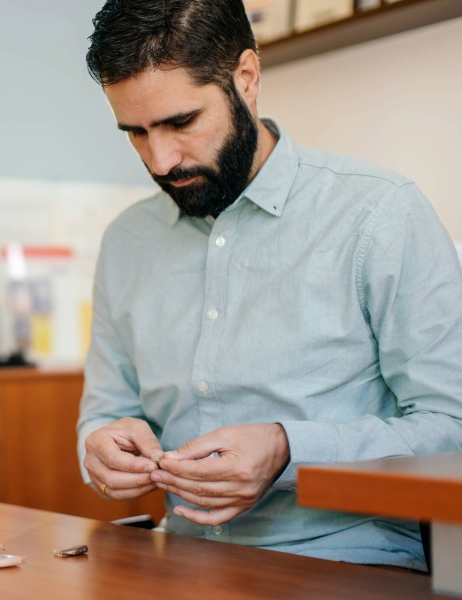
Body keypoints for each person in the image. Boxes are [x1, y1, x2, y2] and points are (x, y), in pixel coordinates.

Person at [77, 0, 462, 571]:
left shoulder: (380, 215)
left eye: (181, 122)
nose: (160, 160)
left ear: (247, 78)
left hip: (344, 565)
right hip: (174, 561)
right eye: (135, 132)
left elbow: (452, 429)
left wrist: (288, 451)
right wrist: (101, 447)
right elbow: (104, 413)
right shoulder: (126, 240)